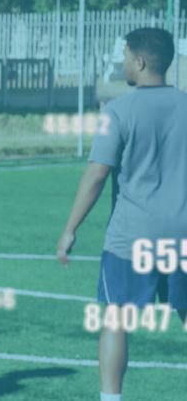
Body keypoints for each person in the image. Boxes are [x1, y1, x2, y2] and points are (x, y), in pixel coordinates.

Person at [56, 27, 187, 401]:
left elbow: (97, 174)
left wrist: (70, 229)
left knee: (116, 318)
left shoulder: (117, 111)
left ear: (140, 62)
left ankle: (111, 398)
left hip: (133, 237)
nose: (123, 62)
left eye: (127, 56)